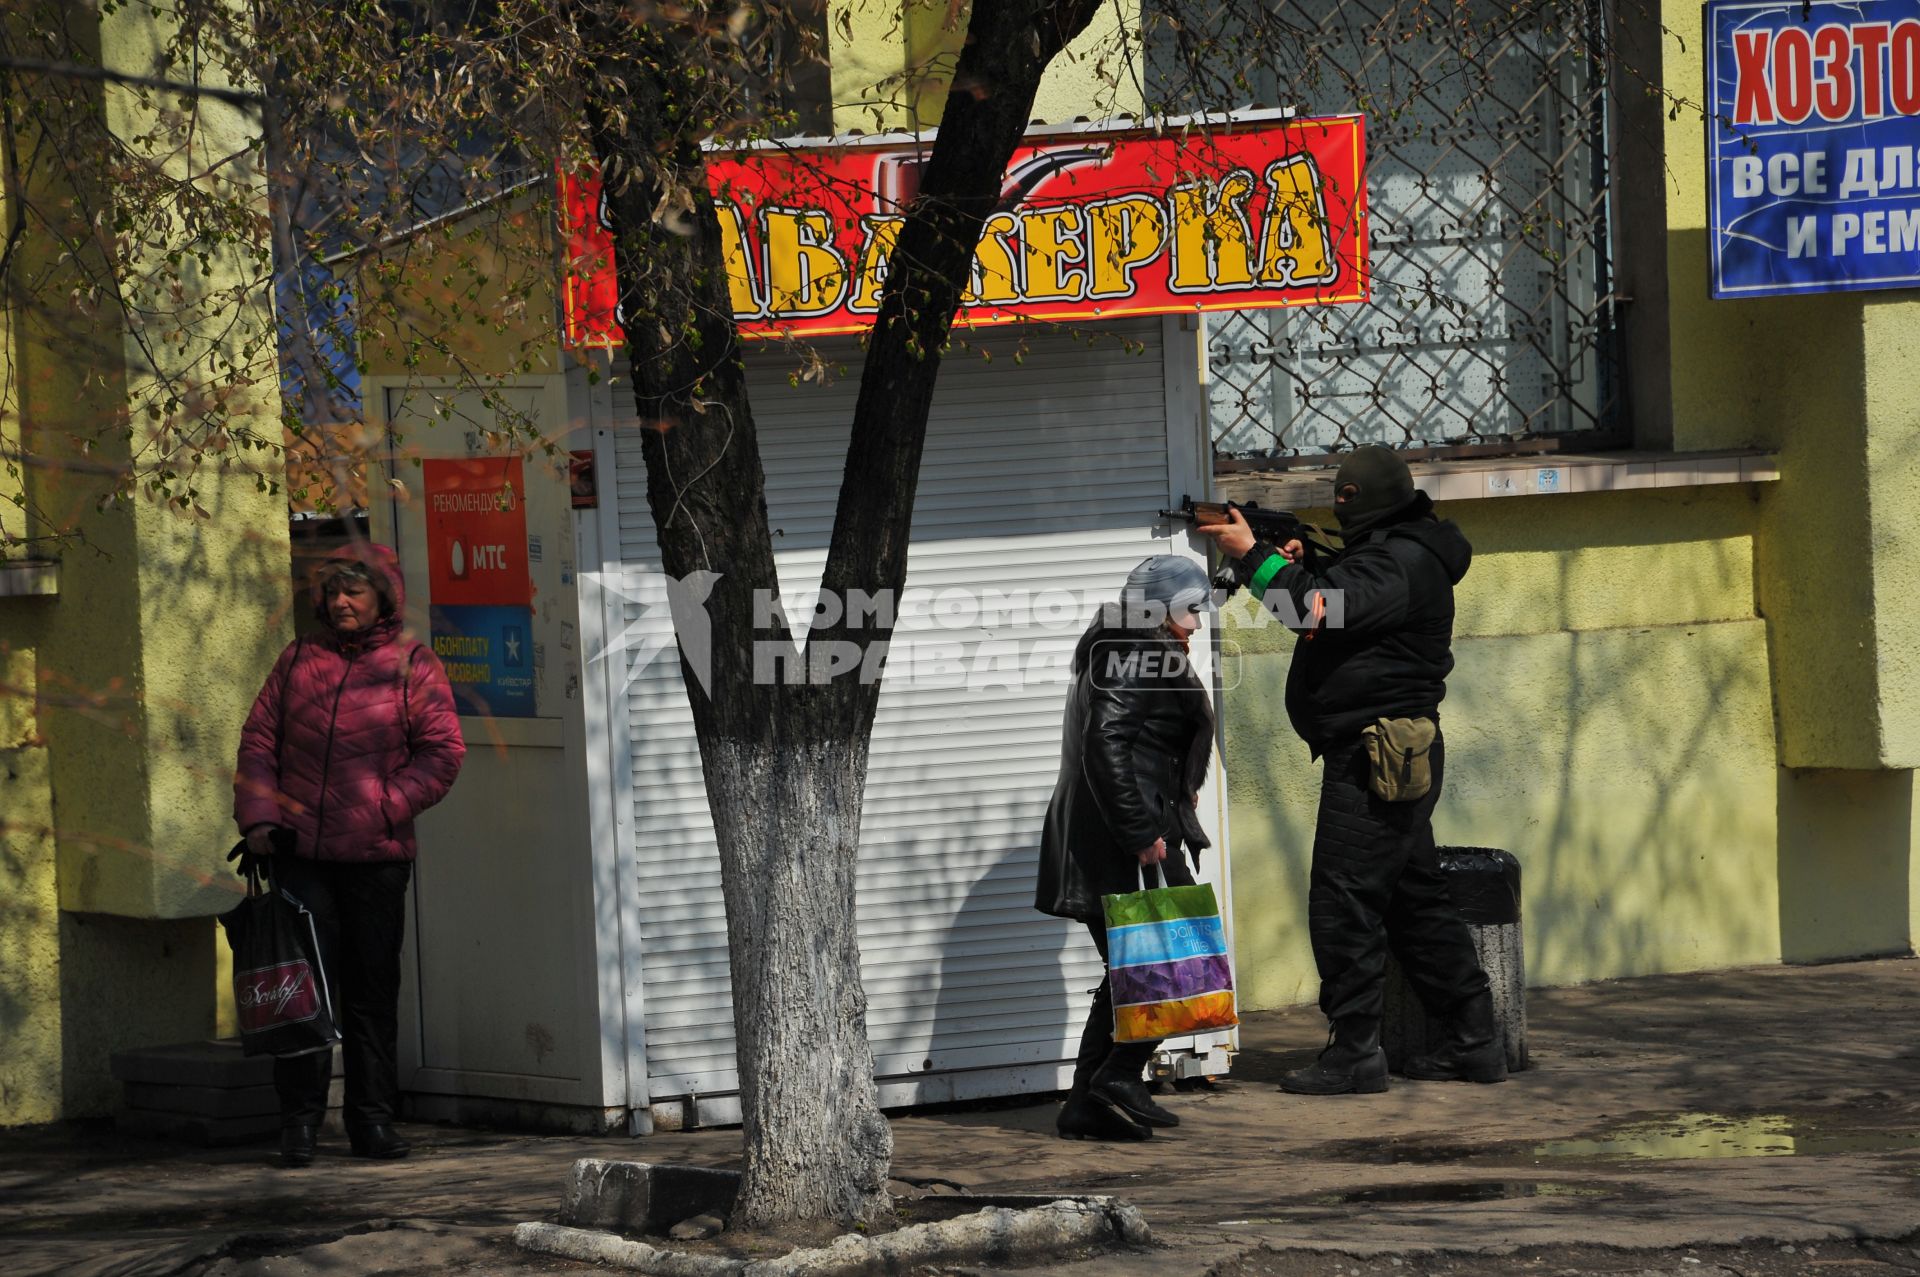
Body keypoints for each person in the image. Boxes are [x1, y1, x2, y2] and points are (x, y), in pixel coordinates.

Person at [1197, 446, 1507, 1095]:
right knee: (1413, 901)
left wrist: (1252, 554)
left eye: (1348, 500)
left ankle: (1356, 1053)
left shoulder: (1400, 561)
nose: (1342, 510)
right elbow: (1338, 595)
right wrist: (1290, 560)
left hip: (1377, 753)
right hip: (1390, 749)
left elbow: (1313, 610)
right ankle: (1476, 1039)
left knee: (1343, 902)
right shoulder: (1396, 550)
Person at [234, 543, 465, 1165]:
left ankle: (372, 1123)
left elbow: (442, 754)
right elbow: (259, 741)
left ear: (381, 598)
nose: (341, 602)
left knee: (369, 993)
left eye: (354, 592)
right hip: (300, 854)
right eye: (333, 591)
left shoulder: (412, 665)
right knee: (300, 992)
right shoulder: (298, 659)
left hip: (377, 858)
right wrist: (259, 819)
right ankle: (300, 1127)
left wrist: (384, 805)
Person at [1036, 555, 1218, 1140]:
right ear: (1163, 608)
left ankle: (1086, 1105)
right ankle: (1118, 1074)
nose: (1199, 620)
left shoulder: (1128, 643)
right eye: (1192, 607)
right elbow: (1105, 746)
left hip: (1125, 831)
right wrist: (1141, 835)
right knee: (1176, 960)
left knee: (1132, 968)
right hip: (1128, 837)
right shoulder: (1134, 653)